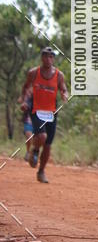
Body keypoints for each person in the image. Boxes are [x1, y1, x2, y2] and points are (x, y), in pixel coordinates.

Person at [18, 47, 69, 183]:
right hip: (36, 109)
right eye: (46, 56)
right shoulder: (34, 73)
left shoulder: (59, 75)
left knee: (47, 144)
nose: (48, 59)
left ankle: (41, 172)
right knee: (42, 136)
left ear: (53, 58)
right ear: (42, 58)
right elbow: (25, 87)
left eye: (51, 56)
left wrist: (65, 94)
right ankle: (34, 150)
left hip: (51, 111)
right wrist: (24, 100)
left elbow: (63, 88)